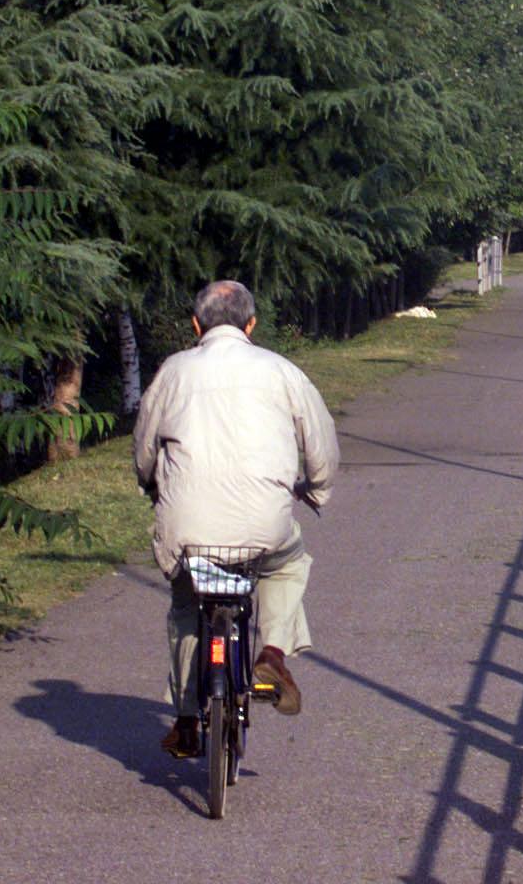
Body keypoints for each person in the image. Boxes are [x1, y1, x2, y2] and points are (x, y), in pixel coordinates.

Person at [133, 280, 339, 758]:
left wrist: (150, 485)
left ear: (195, 325)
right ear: (251, 325)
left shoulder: (173, 372)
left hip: (188, 531)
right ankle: (271, 654)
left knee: (187, 604)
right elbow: (321, 443)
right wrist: (318, 490)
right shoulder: (282, 371)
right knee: (286, 564)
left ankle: (186, 718)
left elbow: (144, 446)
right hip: (262, 526)